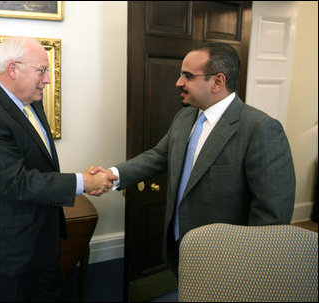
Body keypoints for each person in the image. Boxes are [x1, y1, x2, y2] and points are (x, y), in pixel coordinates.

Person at [90, 42, 295, 277]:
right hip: (180, 246)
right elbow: (158, 156)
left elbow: (272, 213)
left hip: (228, 260)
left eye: (187, 76)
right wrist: (112, 175)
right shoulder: (184, 117)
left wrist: (249, 266)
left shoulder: (260, 128)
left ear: (218, 81)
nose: (178, 82)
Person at [0, 36, 117, 301]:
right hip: (10, 253)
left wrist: (83, 180)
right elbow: (16, 182)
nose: (47, 79)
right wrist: (84, 182)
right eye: (42, 71)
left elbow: (40, 166)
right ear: (13, 69)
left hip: (43, 240)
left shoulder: (32, 101)